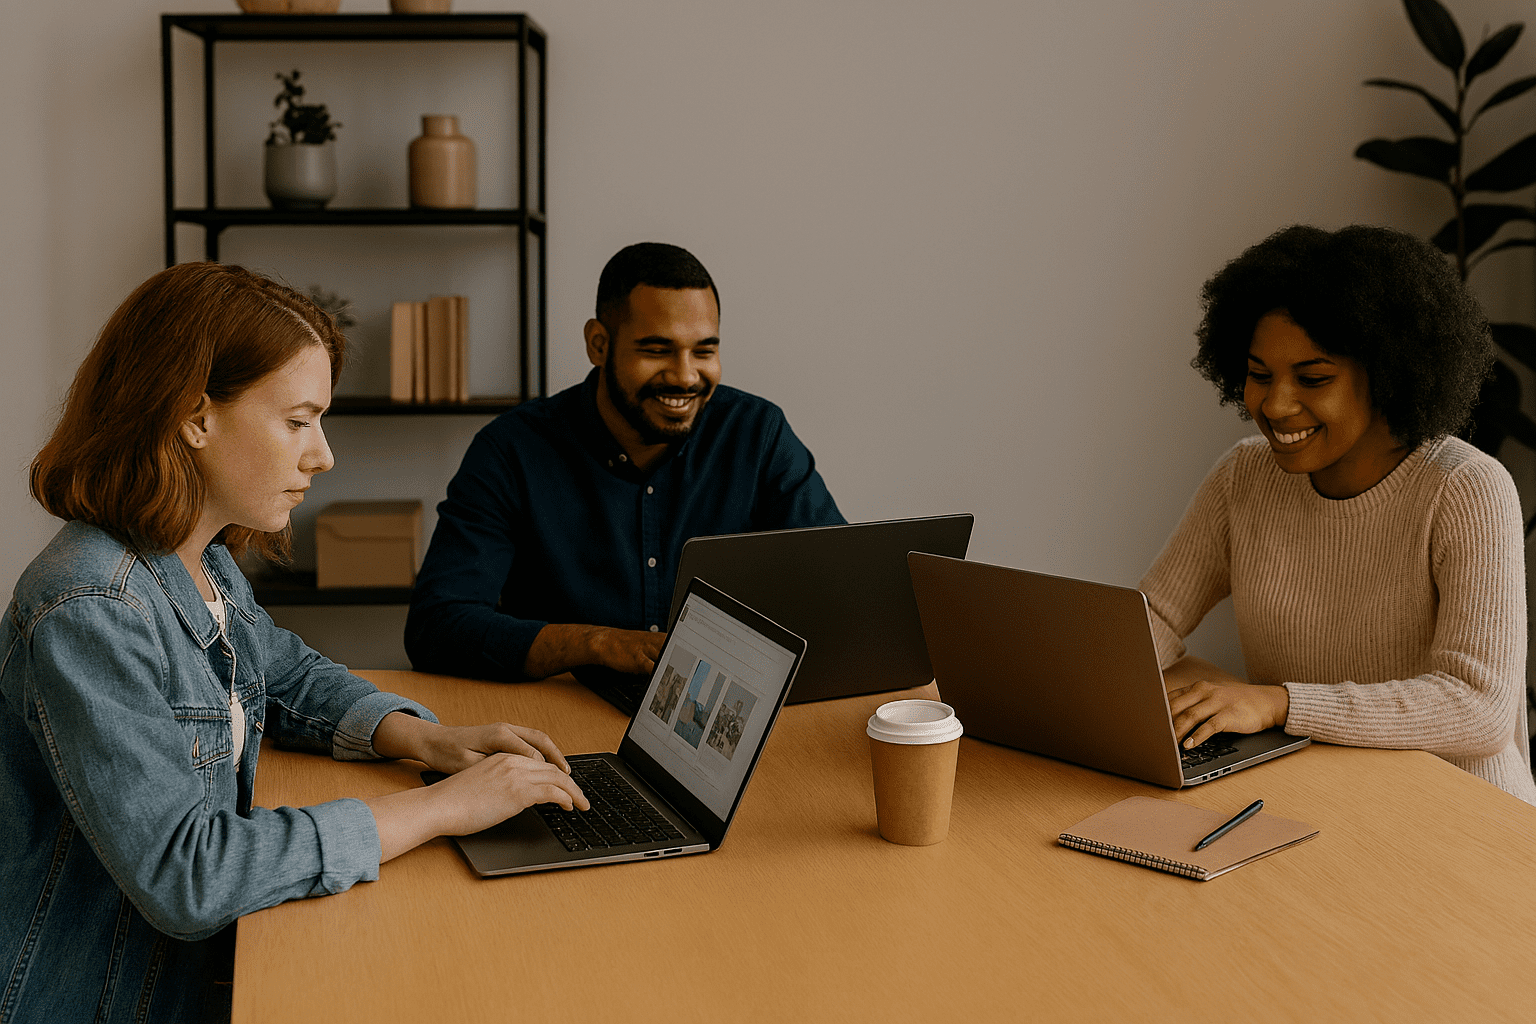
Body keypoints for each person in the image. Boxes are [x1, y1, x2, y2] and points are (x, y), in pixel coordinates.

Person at [0, 263, 589, 1022]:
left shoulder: (194, 554)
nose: (323, 455)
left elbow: (280, 671)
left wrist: (424, 739)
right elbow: (189, 875)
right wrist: (442, 810)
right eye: (299, 420)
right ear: (194, 416)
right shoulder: (91, 606)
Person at [1142, 224, 1536, 804]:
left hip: (1462, 819)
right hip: (1320, 795)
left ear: (1387, 375)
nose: (1274, 405)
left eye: (1314, 378)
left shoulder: (1466, 489)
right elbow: (1155, 616)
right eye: (1258, 375)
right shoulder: (1244, 476)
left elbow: (1478, 708)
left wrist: (1281, 702)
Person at [405, 242, 844, 687]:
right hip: (561, 716)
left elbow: (839, 586)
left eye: (704, 351)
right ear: (599, 344)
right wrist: (594, 644)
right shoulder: (510, 449)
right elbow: (436, 626)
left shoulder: (758, 433)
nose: (686, 376)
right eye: (657, 350)